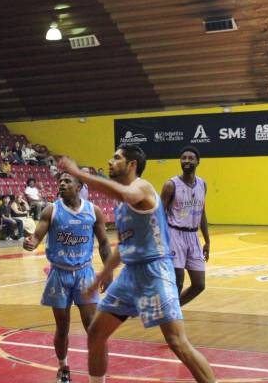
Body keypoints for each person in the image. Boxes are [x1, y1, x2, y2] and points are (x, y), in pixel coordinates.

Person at [58, 146, 215, 383]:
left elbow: (126, 194)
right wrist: (99, 279)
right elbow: (124, 246)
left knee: (177, 343)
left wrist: (80, 174)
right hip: (130, 275)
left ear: (132, 165)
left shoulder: (142, 187)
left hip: (155, 272)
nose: (110, 161)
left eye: (117, 158)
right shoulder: (121, 207)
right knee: (96, 334)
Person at [23, 172, 110, 383]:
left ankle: (97, 375)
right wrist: (31, 243)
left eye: (67, 181)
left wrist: (107, 272)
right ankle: (63, 367)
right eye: (60, 181)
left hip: (84, 273)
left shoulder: (93, 211)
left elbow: (105, 243)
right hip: (59, 273)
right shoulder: (52, 210)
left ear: (79, 186)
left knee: (92, 326)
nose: (62, 184)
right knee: (62, 327)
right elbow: (37, 236)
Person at [161, 146, 210, 306]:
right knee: (178, 282)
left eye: (190, 158)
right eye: (184, 158)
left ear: (198, 162)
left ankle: (172, 309)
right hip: (175, 235)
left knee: (199, 284)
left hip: (193, 236)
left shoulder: (202, 184)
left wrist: (207, 240)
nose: (187, 161)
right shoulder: (170, 185)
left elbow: (202, 211)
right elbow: (159, 214)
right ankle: (172, 315)